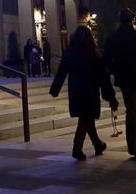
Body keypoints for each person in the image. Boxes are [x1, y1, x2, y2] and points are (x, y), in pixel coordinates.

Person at [49, 26, 118, 160]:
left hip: (75, 90)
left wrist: (55, 89)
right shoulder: (93, 52)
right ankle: (77, 148)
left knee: (87, 118)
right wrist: (111, 98)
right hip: (89, 89)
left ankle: (97, 144)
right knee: (86, 118)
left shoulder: (70, 51)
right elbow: (103, 77)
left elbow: (61, 71)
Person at [103, 8, 136, 161]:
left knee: (130, 111)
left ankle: (132, 146)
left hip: (124, 80)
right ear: (132, 20)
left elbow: (106, 59)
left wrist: (116, 71)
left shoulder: (113, 38)